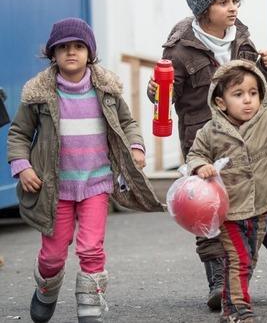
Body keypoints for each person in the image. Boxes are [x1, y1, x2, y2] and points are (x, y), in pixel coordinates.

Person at [7, 18, 163, 323]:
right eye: (63, 48)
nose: (71, 53)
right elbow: (19, 134)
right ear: (52, 54)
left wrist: (136, 147)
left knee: (91, 248)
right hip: (55, 188)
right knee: (53, 255)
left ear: (90, 52)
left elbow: (128, 124)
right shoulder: (39, 94)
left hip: (95, 184)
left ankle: (90, 308)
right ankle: (46, 289)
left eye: (78, 46)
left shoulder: (106, 90)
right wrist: (22, 166)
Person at [147, 0, 267, 311]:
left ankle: (239, 272)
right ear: (205, 9)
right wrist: (155, 92)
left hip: (245, 137)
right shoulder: (179, 49)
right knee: (206, 205)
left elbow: (254, 87)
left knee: (248, 204)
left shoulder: (243, 37)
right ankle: (218, 278)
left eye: (234, 0)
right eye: (224, 3)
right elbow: (167, 94)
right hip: (202, 139)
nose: (232, 8)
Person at [186, 60, 267, 322]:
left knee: (248, 259)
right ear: (221, 102)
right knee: (238, 256)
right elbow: (195, 154)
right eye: (238, 95)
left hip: (262, 207)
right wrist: (201, 165)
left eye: (253, 93)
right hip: (230, 211)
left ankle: (229, 304)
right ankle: (239, 309)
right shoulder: (211, 131)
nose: (248, 101)